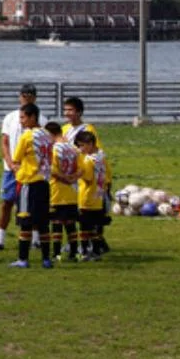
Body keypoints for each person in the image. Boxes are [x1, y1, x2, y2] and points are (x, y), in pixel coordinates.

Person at [0, 84, 36, 251]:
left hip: (31, 170)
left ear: (35, 97)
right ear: (19, 96)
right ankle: (0, 239)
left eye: (30, 94)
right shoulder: (10, 117)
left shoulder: (42, 119)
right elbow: (4, 141)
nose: (26, 97)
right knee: (6, 203)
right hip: (11, 169)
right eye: (24, 94)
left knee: (32, 204)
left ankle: (34, 240)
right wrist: (10, 162)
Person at [62, 96, 110, 251]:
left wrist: (105, 179)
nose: (67, 113)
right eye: (65, 109)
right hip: (71, 176)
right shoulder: (64, 130)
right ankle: (76, 241)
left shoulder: (88, 129)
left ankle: (93, 242)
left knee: (89, 213)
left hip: (85, 175)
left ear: (79, 112)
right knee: (72, 211)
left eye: (71, 110)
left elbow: (97, 153)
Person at [9, 103, 54, 268]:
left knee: (25, 221)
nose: (21, 121)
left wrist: (17, 169)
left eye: (23, 117)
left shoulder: (27, 136)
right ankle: (46, 259)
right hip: (44, 182)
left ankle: (23, 258)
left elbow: (16, 159)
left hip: (29, 182)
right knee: (43, 223)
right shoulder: (47, 135)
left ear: (32, 117)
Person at [45, 121, 80, 261]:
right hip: (72, 192)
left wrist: (65, 179)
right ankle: (73, 253)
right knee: (71, 224)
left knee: (57, 223)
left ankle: (56, 253)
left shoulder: (54, 149)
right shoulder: (73, 148)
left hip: (57, 191)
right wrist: (72, 179)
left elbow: (53, 170)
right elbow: (80, 168)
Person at [75, 130, 110, 260]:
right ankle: (96, 252)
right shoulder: (101, 158)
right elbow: (106, 177)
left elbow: (88, 178)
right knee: (94, 228)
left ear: (90, 144)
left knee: (84, 228)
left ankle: (84, 252)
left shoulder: (88, 161)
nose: (80, 149)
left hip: (87, 197)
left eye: (81, 145)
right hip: (98, 197)